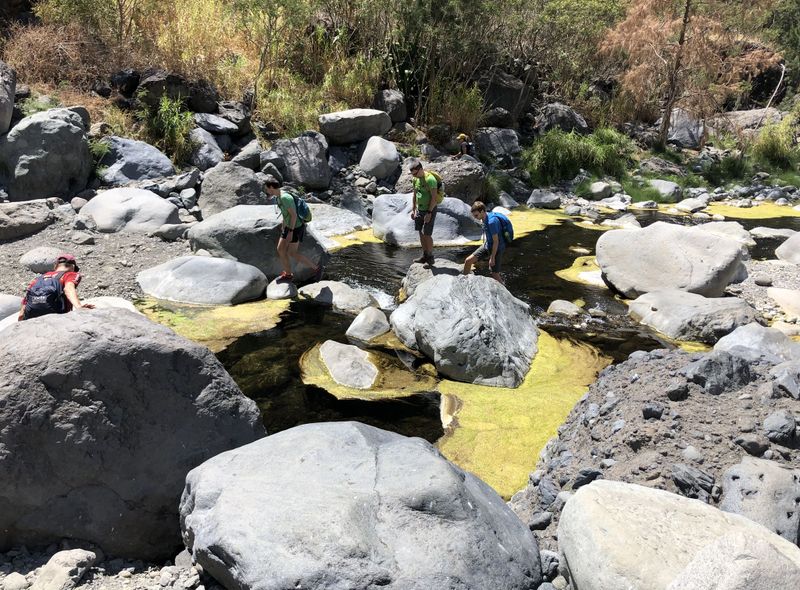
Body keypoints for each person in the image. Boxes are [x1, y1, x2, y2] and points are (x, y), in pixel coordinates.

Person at [264, 175, 323, 282]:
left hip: (295, 227)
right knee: (280, 249)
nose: (266, 190)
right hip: (288, 226)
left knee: (292, 253)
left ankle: (316, 268)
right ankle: (288, 273)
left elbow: (294, 215)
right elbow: (285, 213)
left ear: (271, 187)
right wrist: (283, 226)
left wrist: (290, 231)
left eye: (266, 188)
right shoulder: (278, 197)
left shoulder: (285, 198)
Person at [19, 253, 94, 320]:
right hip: (57, 317)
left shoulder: (38, 279)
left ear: (55, 266)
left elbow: (26, 300)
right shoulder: (70, 274)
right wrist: (79, 307)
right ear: (73, 266)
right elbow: (68, 289)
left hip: (32, 318)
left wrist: (21, 319)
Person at [463, 201, 505, 283]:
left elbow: (496, 242)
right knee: (468, 261)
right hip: (488, 244)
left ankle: (506, 293)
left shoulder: (491, 222)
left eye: (476, 215)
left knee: (495, 274)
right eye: (474, 216)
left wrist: (492, 258)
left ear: (482, 211)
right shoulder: (484, 217)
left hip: (497, 248)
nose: (475, 218)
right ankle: (465, 283)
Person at [408, 158, 439, 265]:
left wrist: (429, 213)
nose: (414, 176)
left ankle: (430, 258)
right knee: (421, 233)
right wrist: (413, 209)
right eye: (412, 174)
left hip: (429, 210)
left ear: (420, 169)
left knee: (427, 234)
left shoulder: (430, 180)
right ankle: (424, 255)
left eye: (415, 173)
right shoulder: (415, 179)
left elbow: (434, 198)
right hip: (419, 210)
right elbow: (415, 195)